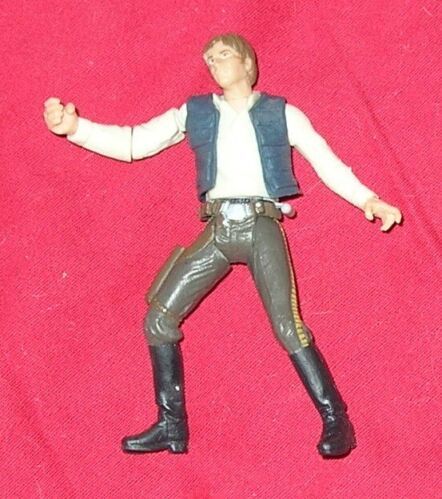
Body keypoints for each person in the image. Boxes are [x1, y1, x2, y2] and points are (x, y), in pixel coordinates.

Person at [43, 33, 402, 458]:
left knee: (288, 326)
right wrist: (76, 130)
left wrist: (367, 199)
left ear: (248, 62)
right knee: (158, 319)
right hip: (218, 228)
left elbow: (326, 161)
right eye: (209, 58)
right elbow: (135, 142)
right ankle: (171, 425)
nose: (214, 63)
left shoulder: (281, 113)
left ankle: (336, 420)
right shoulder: (195, 112)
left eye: (224, 54)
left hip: (260, 226)